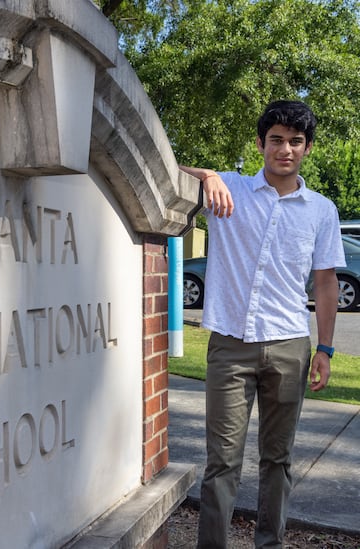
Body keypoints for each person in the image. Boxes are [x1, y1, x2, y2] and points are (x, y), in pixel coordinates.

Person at [179, 100, 346, 549]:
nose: (285, 150)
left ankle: (269, 544)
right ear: (260, 143)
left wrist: (326, 350)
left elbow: (327, 282)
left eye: (295, 141)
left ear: (307, 147)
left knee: (278, 459)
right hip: (230, 346)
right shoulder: (227, 190)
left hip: (290, 346)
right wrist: (207, 174)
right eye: (276, 140)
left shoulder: (321, 210)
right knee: (222, 462)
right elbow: (169, 168)